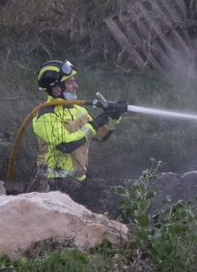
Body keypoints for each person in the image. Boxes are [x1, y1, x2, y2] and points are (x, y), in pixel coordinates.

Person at [31, 59, 127, 199]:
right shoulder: (45, 116)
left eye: (74, 81)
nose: (76, 86)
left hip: (78, 181)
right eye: (70, 82)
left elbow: (100, 136)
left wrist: (113, 117)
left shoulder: (78, 110)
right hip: (53, 185)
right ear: (56, 88)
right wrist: (94, 124)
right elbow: (65, 145)